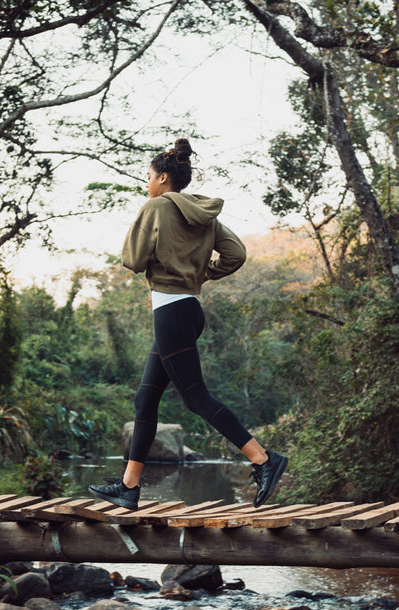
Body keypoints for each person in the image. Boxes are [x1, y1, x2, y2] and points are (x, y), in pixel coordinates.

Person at [88, 138, 288, 510]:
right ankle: (130, 487)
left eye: (148, 177)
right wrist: (204, 272)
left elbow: (132, 258)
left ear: (163, 178)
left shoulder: (157, 206)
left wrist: (158, 248)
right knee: (145, 399)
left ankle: (263, 459)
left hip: (171, 311)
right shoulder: (204, 213)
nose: (146, 183)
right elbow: (236, 253)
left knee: (195, 396)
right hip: (188, 309)